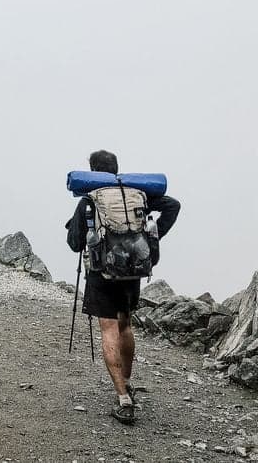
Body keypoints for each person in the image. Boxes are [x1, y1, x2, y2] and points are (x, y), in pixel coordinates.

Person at [66, 149, 180, 425]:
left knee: (108, 329)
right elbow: (173, 205)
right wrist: (150, 239)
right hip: (133, 271)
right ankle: (127, 381)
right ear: (116, 169)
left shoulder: (90, 200)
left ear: (93, 172)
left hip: (101, 273)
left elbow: (74, 243)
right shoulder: (136, 195)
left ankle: (123, 398)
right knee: (125, 325)